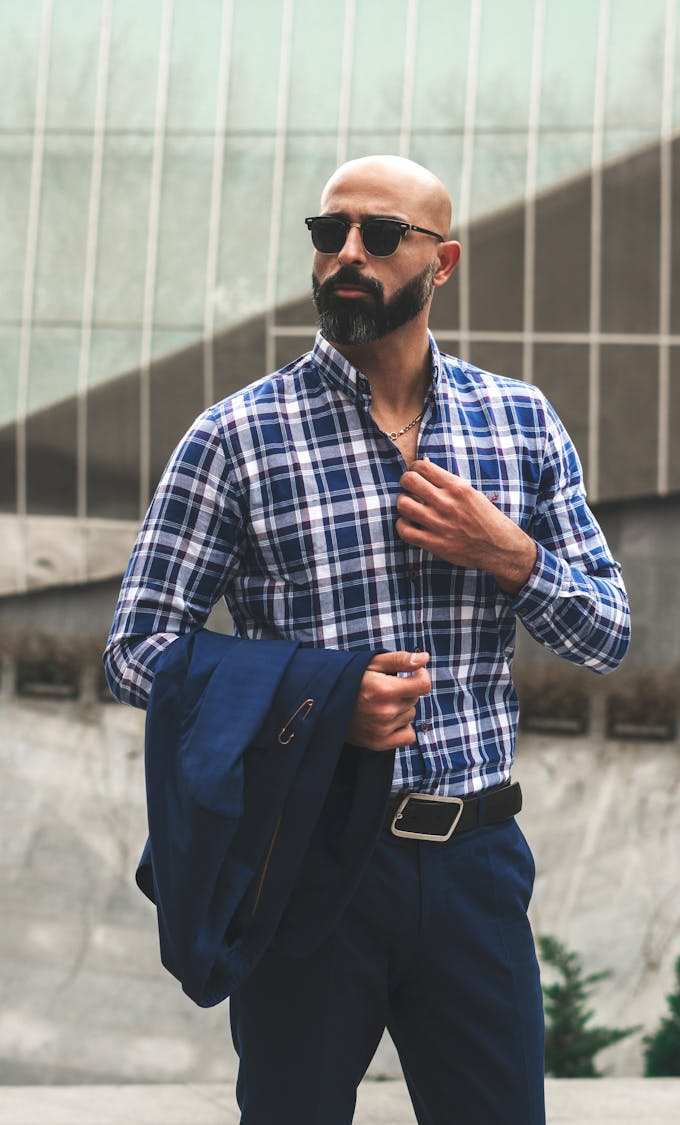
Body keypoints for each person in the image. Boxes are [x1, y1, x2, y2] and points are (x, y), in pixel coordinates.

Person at [105, 154, 630, 1125]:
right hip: (306, 866)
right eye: (328, 233)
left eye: (381, 236)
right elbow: (137, 650)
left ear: (443, 263)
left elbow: (607, 634)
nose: (347, 254)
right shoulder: (235, 437)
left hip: (476, 862)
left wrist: (511, 556)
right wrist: (321, 702)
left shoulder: (519, 423)